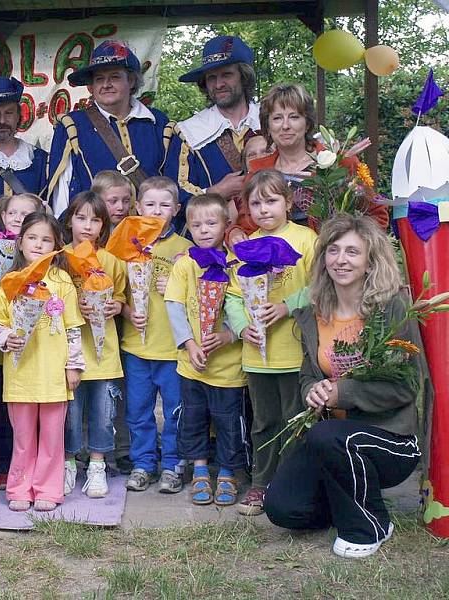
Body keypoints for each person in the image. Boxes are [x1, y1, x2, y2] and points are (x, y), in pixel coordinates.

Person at [265, 214, 428, 558]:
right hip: (332, 436)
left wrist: (344, 392)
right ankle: (348, 503)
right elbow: (308, 374)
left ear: (371, 261)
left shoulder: (391, 309)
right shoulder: (313, 313)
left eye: (353, 252)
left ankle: (371, 524)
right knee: (282, 507)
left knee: (327, 436)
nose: (341, 260)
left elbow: (408, 386)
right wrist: (313, 390)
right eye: (333, 250)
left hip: (390, 440)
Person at [224, 169, 318, 516]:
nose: (264, 209)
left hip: (296, 352)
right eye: (256, 203)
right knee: (264, 422)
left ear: (288, 202)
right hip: (258, 355)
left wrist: (286, 306)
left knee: (296, 420)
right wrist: (240, 326)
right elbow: (232, 296)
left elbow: (321, 286)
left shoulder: (306, 239)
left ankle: (293, 484)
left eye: (272, 200)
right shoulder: (243, 247)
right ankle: (260, 484)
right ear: (246, 208)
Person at [0, 212, 85, 511]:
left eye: (47, 239)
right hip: (21, 376)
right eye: (32, 238)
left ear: (57, 245)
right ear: (19, 243)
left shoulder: (62, 281)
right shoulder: (9, 281)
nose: (39, 244)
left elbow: (72, 328)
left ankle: (48, 488)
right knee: (22, 438)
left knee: (52, 438)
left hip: (54, 375)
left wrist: (73, 366)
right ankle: (19, 488)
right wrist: (7, 338)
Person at [227, 83, 389, 246]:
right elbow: (246, 224)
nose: (285, 126)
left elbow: (377, 214)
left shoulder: (341, 162)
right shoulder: (257, 170)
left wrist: (355, 247)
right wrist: (234, 233)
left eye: (294, 117)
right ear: (267, 126)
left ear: (307, 123)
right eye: (277, 118)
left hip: (329, 263)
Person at [164, 193, 247, 506]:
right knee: (193, 418)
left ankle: (226, 472)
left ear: (226, 224)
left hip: (228, 368)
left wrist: (228, 336)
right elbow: (173, 304)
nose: (203, 229)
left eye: (211, 223)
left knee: (228, 420)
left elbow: (244, 307)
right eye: (195, 224)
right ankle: (199, 470)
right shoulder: (185, 265)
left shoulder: (236, 264)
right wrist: (188, 343)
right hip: (192, 364)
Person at [47, 40, 175, 217]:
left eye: (114, 77)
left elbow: (171, 182)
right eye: (99, 79)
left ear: (131, 81)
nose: (106, 84)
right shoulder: (73, 125)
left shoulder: (159, 124)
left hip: (150, 235)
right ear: (91, 86)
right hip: (95, 235)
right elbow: (63, 188)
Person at [121, 176, 192, 493]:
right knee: (138, 411)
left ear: (177, 209)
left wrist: (178, 287)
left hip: (174, 350)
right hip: (137, 347)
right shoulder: (126, 245)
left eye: (165, 205)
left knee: (176, 411)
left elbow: (203, 301)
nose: (157, 210)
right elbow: (115, 294)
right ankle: (143, 463)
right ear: (137, 208)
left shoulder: (187, 250)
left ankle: (174, 463)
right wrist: (126, 312)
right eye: (149, 204)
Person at [0, 193, 45, 490]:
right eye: (11, 212)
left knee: (35, 410)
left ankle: (38, 464)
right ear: (1, 217)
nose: (17, 218)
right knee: (1, 412)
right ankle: (3, 466)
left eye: (25, 214)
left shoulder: (44, 253)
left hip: (40, 349)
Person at [62, 192, 127, 498]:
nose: (87, 226)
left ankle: (97, 465)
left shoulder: (111, 261)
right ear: (70, 220)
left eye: (95, 219)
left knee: (103, 412)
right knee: (70, 413)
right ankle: (70, 462)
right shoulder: (59, 257)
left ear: (104, 224)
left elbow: (122, 295)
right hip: (69, 353)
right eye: (81, 217)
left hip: (105, 354)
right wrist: (75, 304)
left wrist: (116, 305)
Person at [167, 35, 261, 232]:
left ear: (244, 77)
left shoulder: (271, 122)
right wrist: (215, 192)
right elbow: (173, 194)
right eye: (211, 78)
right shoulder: (188, 132)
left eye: (226, 75)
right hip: (211, 242)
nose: (218, 85)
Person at [90, 169, 134, 473]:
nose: (119, 207)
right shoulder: (91, 239)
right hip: (98, 324)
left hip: (132, 322)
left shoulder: (136, 232)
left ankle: (124, 448)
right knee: (95, 386)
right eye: (112, 201)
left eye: (125, 200)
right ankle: (87, 448)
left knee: (123, 388)